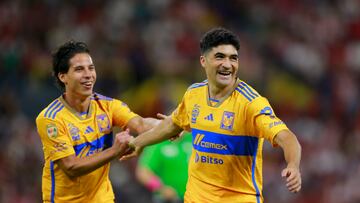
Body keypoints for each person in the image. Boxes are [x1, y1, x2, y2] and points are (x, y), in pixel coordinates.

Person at [120, 27, 302, 203]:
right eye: (220, 57)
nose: (227, 64)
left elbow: (286, 136)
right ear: (203, 61)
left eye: (233, 58)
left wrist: (293, 165)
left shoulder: (251, 103)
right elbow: (173, 125)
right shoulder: (193, 95)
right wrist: (138, 142)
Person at [35, 40, 158, 203]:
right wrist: (115, 151)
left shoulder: (108, 106)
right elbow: (71, 167)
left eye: (91, 68)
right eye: (79, 69)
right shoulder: (51, 119)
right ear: (63, 76)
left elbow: (141, 124)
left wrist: (174, 125)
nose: (88, 74)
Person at [136, 132, 192, 203]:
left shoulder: (194, 139)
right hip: (170, 199)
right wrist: (161, 188)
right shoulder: (158, 143)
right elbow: (143, 172)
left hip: (195, 197)